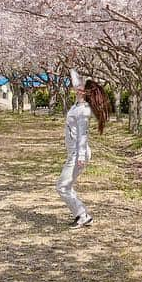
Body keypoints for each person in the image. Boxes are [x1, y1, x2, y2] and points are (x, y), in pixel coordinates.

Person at [57, 69, 110, 228]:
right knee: (66, 186)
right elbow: (75, 80)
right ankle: (82, 215)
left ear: (83, 92)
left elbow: (83, 135)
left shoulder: (83, 111)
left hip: (77, 154)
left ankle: (82, 215)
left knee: (62, 186)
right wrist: (71, 64)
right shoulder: (77, 105)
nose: (76, 87)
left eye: (79, 87)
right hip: (73, 153)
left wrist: (80, 157)